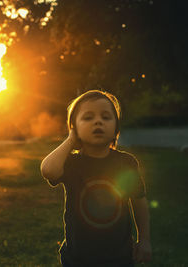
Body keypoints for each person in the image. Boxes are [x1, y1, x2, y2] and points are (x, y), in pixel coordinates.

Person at [40, 90, 152, 266]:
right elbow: (48, 170)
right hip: (79, 259)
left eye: (106, 117)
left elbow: (139, 201)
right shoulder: (71, 164)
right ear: (74, 128)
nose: (98, 121)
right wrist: (70, 141)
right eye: (88, 117)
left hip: (120, 257)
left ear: (116, 128)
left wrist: (144, 240)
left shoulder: (125, 163)